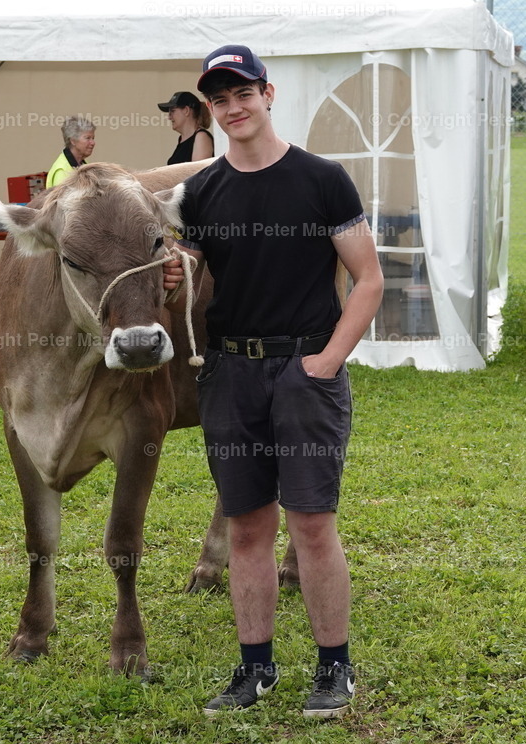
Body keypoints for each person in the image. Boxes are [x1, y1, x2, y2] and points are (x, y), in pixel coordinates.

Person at [163, 44, 383, 719]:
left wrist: (327, 360)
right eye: (220, 100)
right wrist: (176, 278)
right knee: (246, 529)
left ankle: (334, 668)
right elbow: (191, 283)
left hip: (304, 369)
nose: (233, 109)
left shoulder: (322, 179)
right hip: (230, 374)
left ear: (268, 94)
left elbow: (370, 281)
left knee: (312, 526)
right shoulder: (199, 193)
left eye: (242, 94)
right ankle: (255, 669)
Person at [158, 90, 215, 164]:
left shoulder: (201, 137)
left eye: (173, 111)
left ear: (186, 110)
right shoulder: (182, 139)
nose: (169, 117)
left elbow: (199, 173)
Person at [45, 116, 96, 187]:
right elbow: (62, 198)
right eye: (87, 138)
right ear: (73, 141)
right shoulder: (62, 170)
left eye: (93, 138)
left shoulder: (81, 165)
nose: (93, 143)